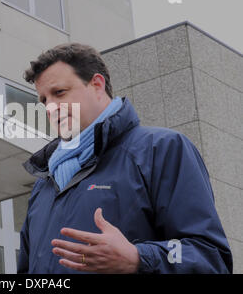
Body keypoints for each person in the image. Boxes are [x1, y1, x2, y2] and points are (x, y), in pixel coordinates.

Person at [18, 43, 233, 274]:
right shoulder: (44, 183)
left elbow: (209, 256)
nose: (51, 108)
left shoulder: (161, 149)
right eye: (44, 101)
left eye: (59, 93)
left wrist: (138, 258)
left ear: (97, 85)